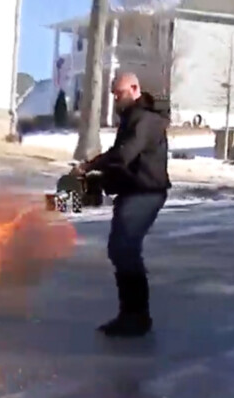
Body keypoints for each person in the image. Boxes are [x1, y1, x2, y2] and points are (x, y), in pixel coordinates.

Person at [71, 73, 170, 338]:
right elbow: (124, 161)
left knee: (124, 248)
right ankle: (131, 315)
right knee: (121, 249)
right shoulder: (133, 117)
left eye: (120, 93)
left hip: (146, 192)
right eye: (114, 94)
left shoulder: (145, 119)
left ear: (135, 89)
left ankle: (137, 317)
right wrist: (99, 179)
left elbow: (125, 154)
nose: (116, 99)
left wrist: (92, 166)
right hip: (133, 190)